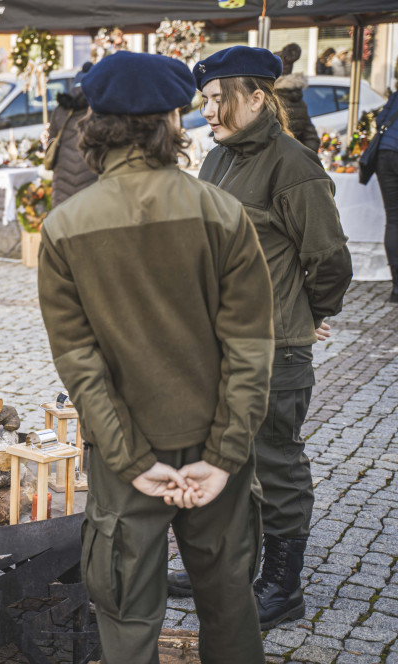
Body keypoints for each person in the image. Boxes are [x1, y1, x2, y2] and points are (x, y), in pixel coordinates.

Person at [39, 51, 274, 664]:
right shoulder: (222, 212)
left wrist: (136, 462)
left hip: (125, 461)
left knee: (126, 623)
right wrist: (224, 456)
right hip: (209, 446)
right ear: (173, 119)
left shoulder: (65, 227)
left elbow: (80, 366)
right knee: (230, 607)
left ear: (96, 123)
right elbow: (251, 347)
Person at [167, 46, 353, 631]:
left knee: (275, 461)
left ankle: (282, 585)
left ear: (256, 97)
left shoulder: (292, 165)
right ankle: (230, 567)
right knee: (226, 458)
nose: (210, 112)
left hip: (274, 348)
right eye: (205, 101)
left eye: (220, 100)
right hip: (221, 344)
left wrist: (307, 311)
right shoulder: (217, 160)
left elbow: (330, 260)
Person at [42, 62, 97, 205]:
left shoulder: (60, 110)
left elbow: (51, 140)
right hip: (91, 183)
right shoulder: (98, 109)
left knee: (62, 222)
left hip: (62, 184)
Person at [374, 77, 398, 302]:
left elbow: (380, 119)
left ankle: (396, 287)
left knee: (393, 218)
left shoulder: (395, 96)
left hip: (385, 153)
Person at [276, 72, 320, 152]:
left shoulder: (272, 100)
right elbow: (310, 135)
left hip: (278, 155)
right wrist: (306, 155)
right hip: (296, 155)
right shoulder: (300, 102)